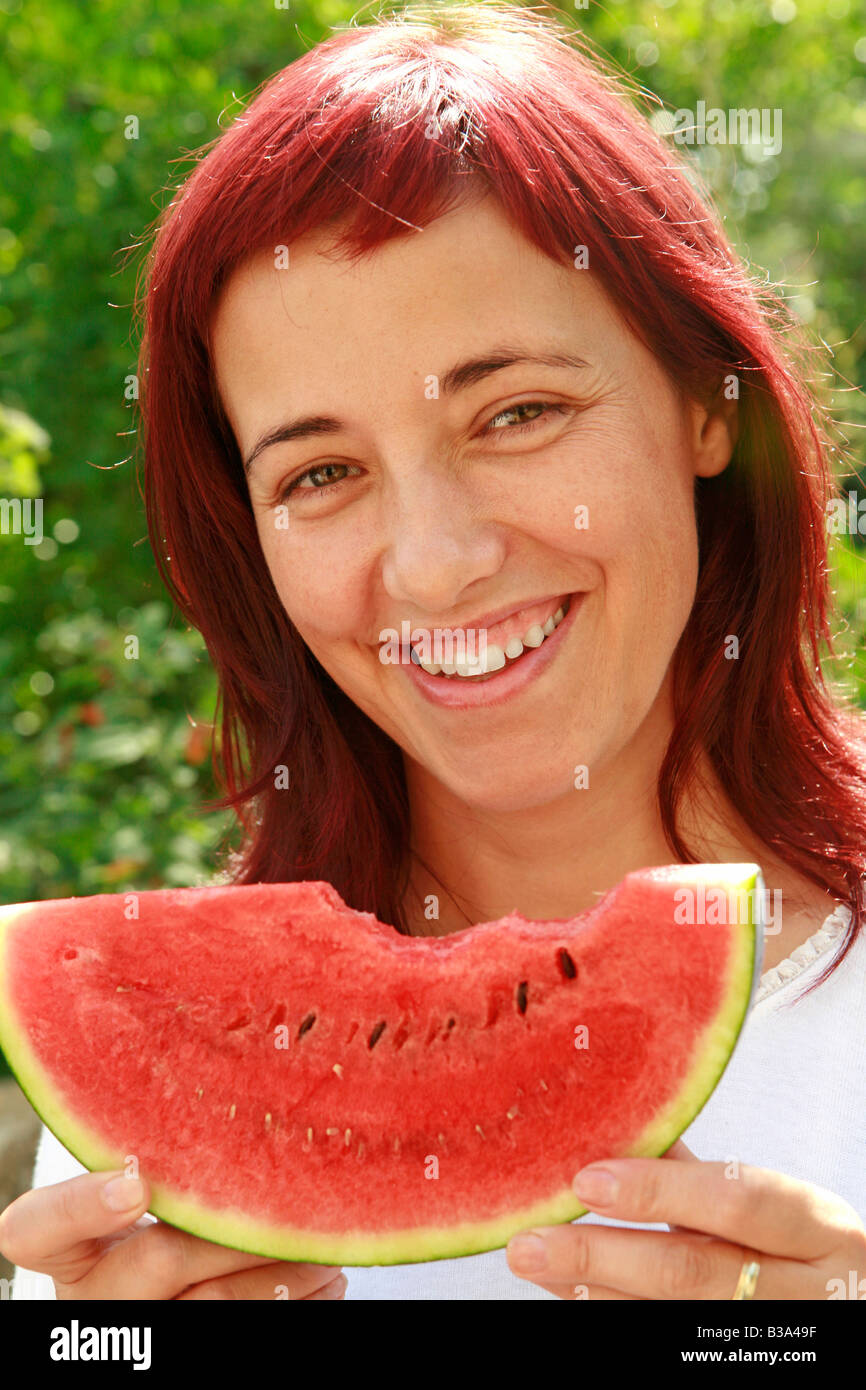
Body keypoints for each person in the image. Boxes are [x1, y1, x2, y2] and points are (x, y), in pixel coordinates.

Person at [3, 1, 865, 1301]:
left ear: (704, 403)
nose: (435, 562)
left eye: (516, 410)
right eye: (321, 472)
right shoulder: (166, 1065)